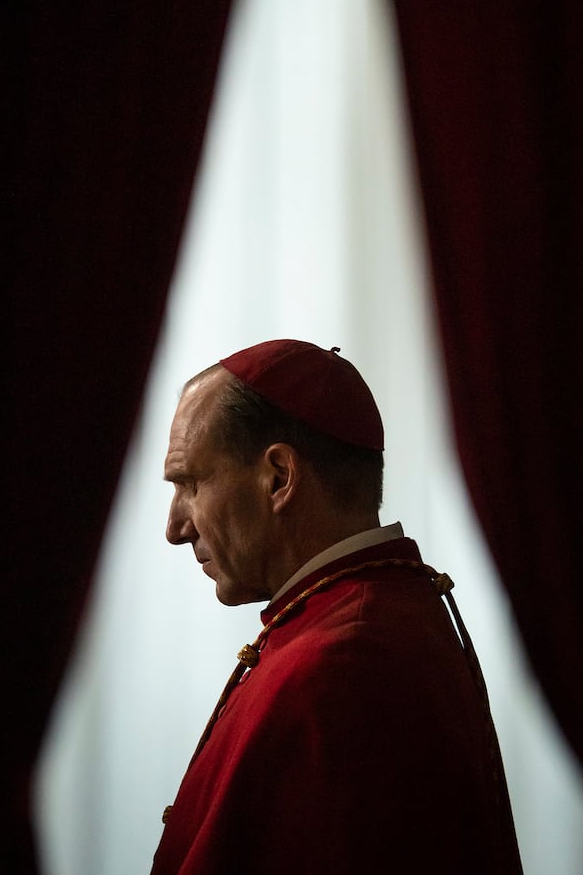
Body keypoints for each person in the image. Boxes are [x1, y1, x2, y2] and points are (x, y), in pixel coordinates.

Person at [151, 339, 523, 874]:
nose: (175, 527)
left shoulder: (341, 663)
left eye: (190, 483)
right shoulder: (376, 612)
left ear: (278, 477)